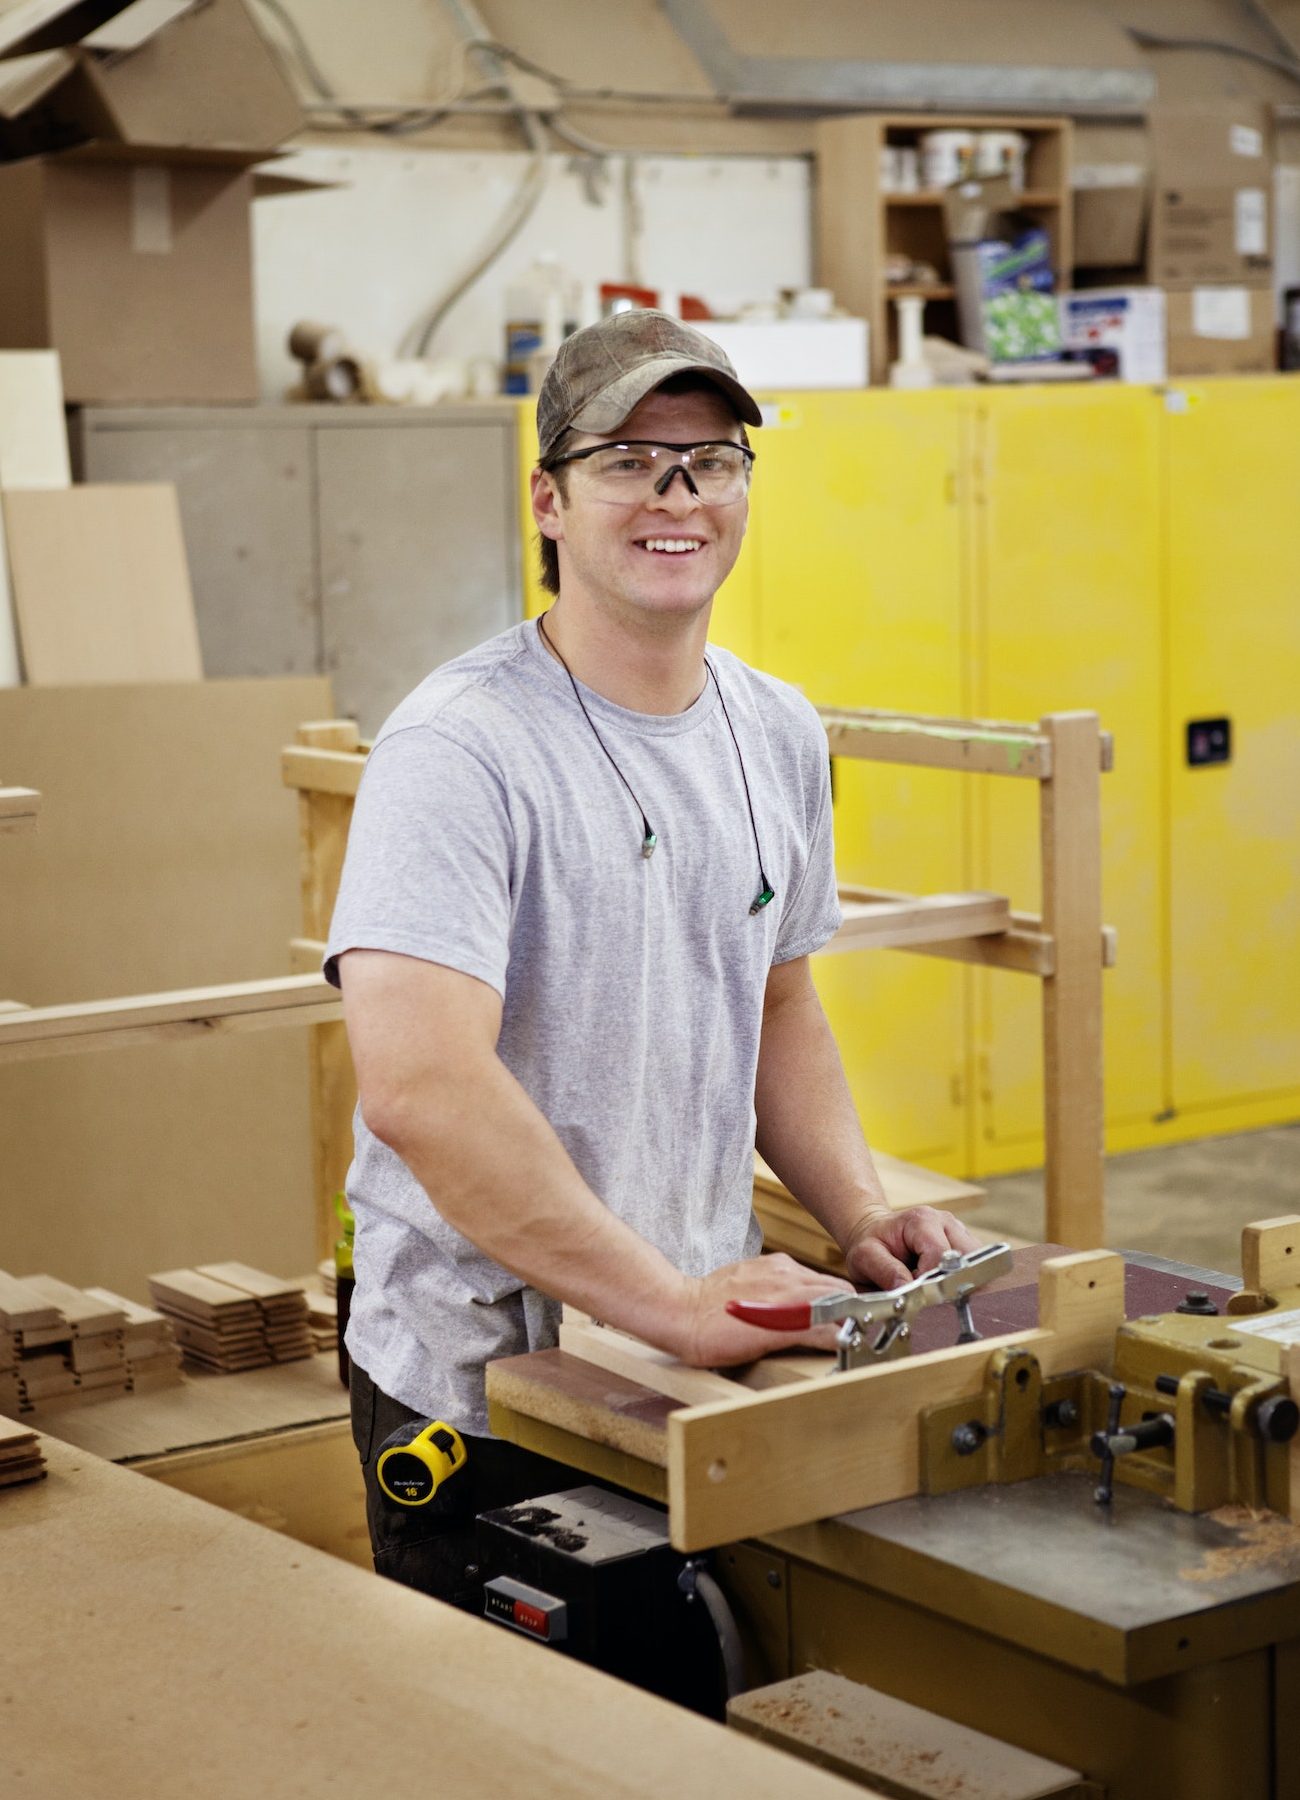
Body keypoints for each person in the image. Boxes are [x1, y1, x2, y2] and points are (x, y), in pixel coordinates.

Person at [325, 310, 979, 1609]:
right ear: (549, 499)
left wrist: (859, 1214)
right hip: (491, 1387)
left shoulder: (777, 727)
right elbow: (421, 1086)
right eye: (627, 460)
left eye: (712, 461)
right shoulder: (458, 751)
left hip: (694, 1345)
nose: (676, 497)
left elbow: (779, 999)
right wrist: (668, 1304)